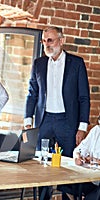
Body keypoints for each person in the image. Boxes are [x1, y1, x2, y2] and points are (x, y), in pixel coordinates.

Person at [24, 26, 90, 199]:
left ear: (61, 41)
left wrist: (82, 127)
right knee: (42, 163)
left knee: (67, 165)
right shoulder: (38, 63)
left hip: (67, 122)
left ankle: (67, 198)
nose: (47, 44)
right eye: (44, 41)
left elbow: (84, 97)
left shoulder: (76, 63)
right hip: (43, 121)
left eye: (50, 40)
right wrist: (27, 120)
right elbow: (32, 94)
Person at [59, 115, 100, 200]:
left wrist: (96, 161)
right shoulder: (96, 130)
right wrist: (78, 156)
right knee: (65, 181)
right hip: (90, 178)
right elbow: (80, 149)